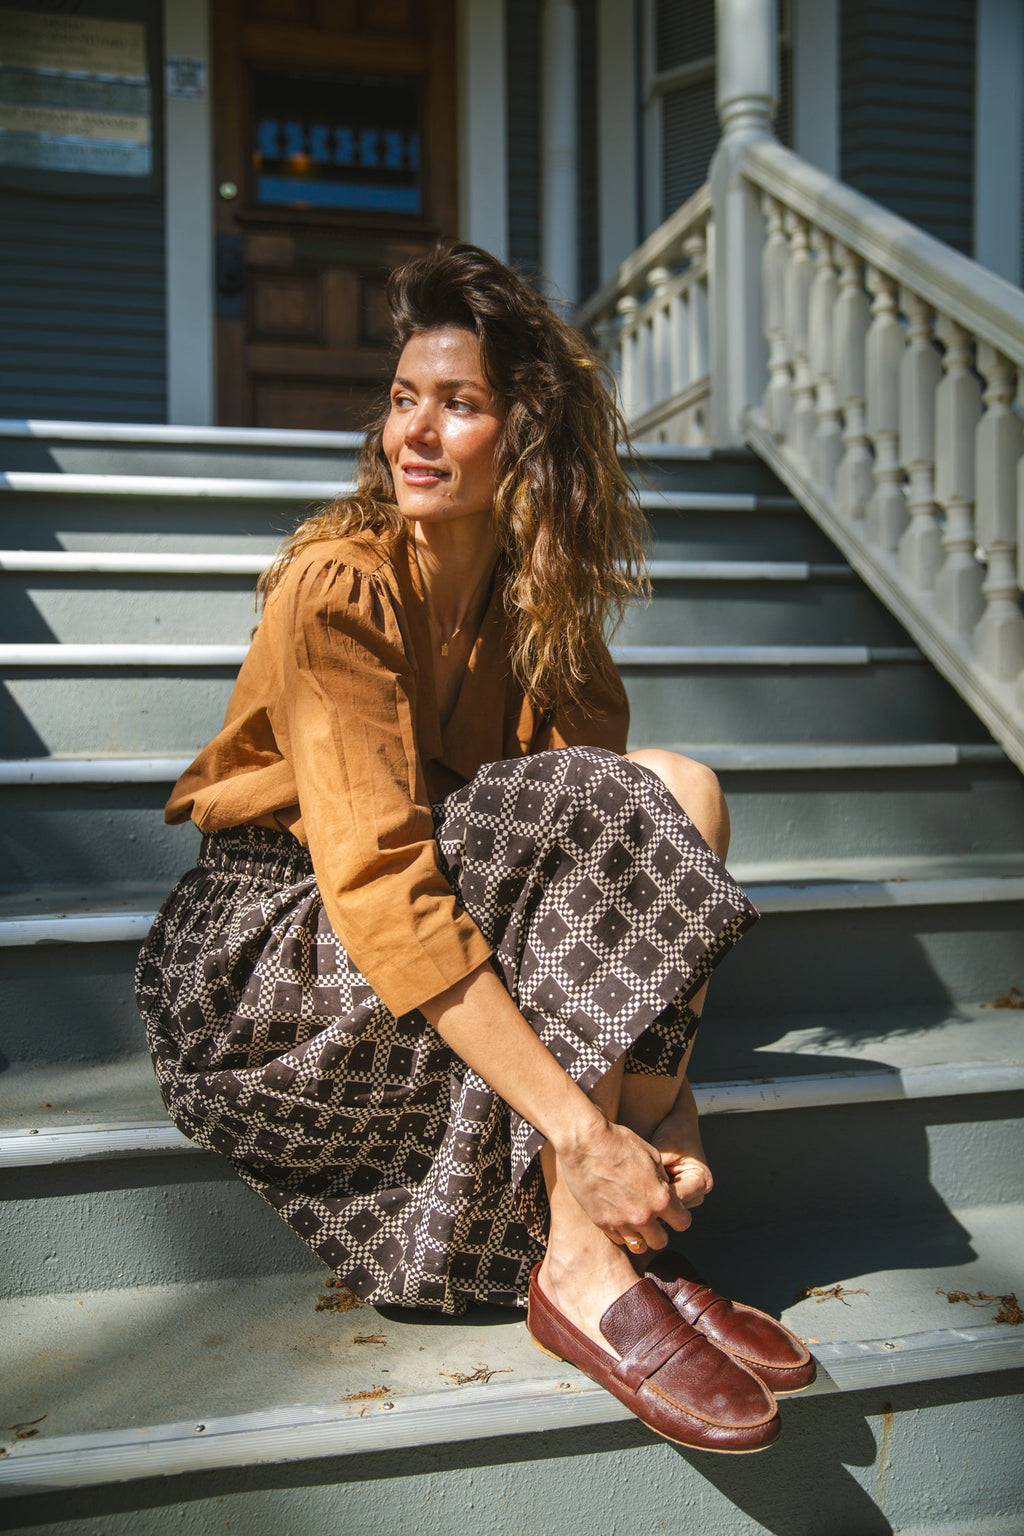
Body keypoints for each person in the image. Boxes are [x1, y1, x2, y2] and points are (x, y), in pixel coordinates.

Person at [136, 242, 812, 1456]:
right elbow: (380, 885)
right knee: (613, 801)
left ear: (527, 441)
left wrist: (669, 1125)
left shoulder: (544, 624)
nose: (416, 432)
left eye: (459, 405)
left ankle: (607, 1235)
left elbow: (612, 899)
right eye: (404, 399)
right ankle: (585, 1259)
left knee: (674, 792)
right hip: (272, 964)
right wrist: (582, 1130)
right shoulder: (335, 585)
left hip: (418, 943)